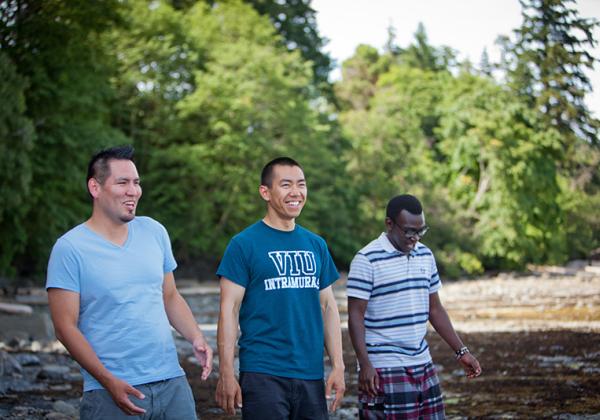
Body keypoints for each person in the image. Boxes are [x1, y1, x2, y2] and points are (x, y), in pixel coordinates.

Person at [46, 145, 213, 419]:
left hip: (172, 384)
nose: (133, 191)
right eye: (122, 182)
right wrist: (107, 381)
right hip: (108, 392)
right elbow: (65, 328)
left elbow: (169, 296)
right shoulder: (69, 249)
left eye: (136, 182)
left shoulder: (154, 231)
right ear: (95, 187)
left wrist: (196, 336)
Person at [215, 157, 345, 419]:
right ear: (265, 192)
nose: (296, 192)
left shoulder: (316, 244)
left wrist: (339, 366)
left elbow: (328, 307)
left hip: (310, 372)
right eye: (286, 185)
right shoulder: (243, 244)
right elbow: (229, 310)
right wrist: (226, 372)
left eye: (301, 184)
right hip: (263, 372)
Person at [347, 194, 481, 419]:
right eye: (409, 231)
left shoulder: (425, 254)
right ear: (389, 224)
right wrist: (365, 364)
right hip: (384, 367)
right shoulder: (366, 259)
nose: (415, 238)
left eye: (421, 231)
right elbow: (355, 316)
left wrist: (461, 351)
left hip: (423, 363)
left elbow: (435, 309)